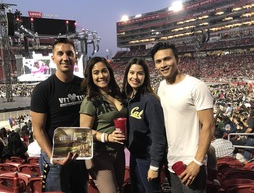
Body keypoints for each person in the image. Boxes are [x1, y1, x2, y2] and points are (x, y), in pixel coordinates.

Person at [151, 42, 215, 192]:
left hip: (191, 162)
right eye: (158, 61)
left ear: (177, 59)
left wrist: (197, 162)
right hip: (172, 162)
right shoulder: (161, 87)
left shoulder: (196, 86)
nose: (163, 64)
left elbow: (209, 125)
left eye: (167, 59)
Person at [30, 38, 88, 192]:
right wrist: (52, 156)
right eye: (60, 53)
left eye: (70, 53)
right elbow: (38, 129)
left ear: (75, 57)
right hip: (55, 158)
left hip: (79, 154)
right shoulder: (42, 90)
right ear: (53, 58)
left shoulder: (85, 86)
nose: (65, 58)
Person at [80, 56, 127, 193]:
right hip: (100, 155)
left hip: (119, 152)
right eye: (96, 73)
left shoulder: (117, 95)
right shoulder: (90, 101)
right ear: (90, 76)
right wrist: (107, 137)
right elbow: (84, 132)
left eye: (104, 71)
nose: (101, 76)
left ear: (110, 72)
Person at [122, 57, 167, 193]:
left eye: (140, 73)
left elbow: (159, 137)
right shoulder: (129, 99)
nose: (135, 77)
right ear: (126, 75)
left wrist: (154, 166)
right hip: (135, 156)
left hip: (148, 159)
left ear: (145, 76)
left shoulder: (150, 100)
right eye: (131, 73)